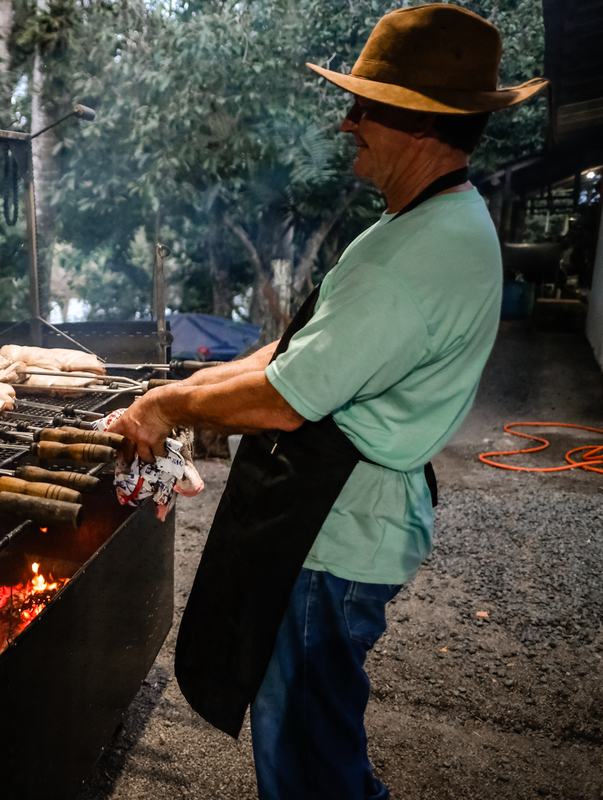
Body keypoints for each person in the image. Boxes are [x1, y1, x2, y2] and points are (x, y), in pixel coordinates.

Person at [110, 5, 546, 799]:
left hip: (334, 535)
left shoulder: (415, 255)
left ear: (417, 123)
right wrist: (181, 386)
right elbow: (296, 349)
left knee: (312, 767)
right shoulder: (430, 220)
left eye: (365, 107)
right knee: (318, 742)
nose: (348, 123)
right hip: (340, 523)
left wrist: (167, 409)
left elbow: (285, 399)